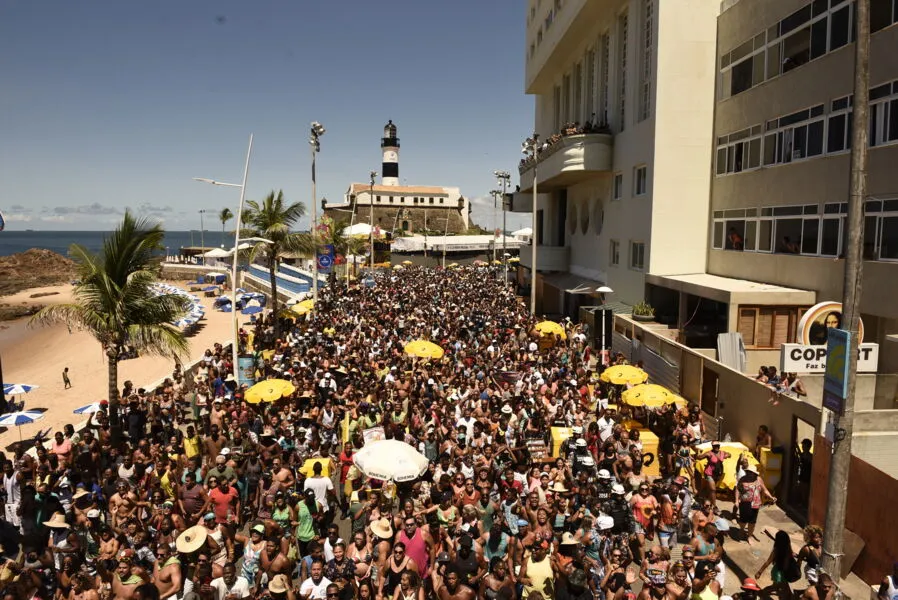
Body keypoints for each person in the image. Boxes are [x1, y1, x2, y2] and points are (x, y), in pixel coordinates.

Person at [756, 530, 797, 600]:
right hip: (779, 574)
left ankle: (761, 592)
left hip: (783, 573)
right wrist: (759, 572)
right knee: (780, 589)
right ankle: (761, 592)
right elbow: (768, 562)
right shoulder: (778, 550)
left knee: (778, 588)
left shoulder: (787, 549)